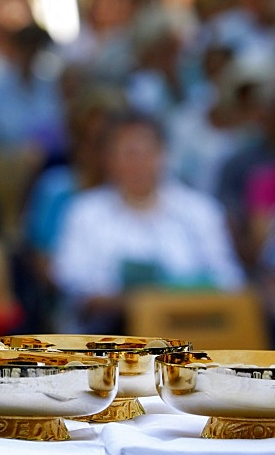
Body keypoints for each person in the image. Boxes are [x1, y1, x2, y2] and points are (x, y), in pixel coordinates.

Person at [52, 111, 245, 334]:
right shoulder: (85, 212)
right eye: (129, 154)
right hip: (111, 334)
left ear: (164, 155)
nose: (139, 163)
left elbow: (229, 280)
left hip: (194, 330)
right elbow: (73, 282)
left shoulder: (200, 210)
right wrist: (139, 303)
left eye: (148, 153)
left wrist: (177, 295)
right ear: (108, 159)